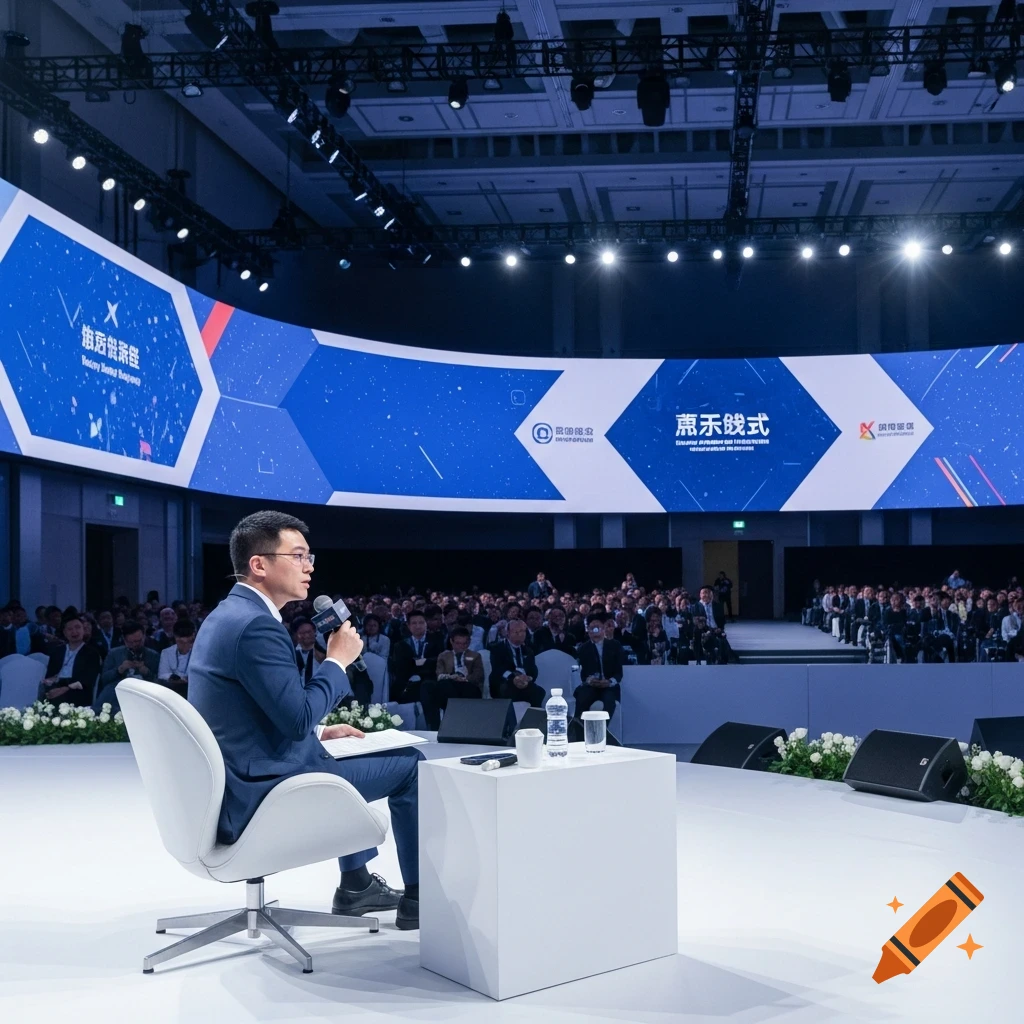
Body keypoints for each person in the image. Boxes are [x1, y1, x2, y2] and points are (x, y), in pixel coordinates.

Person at [188, 510, 421, 930]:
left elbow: (253, 711)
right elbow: (294, 720)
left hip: (238, 776)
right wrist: (337, 662)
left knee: (341, 750)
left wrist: (319, 730)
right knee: (412, 768)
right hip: (266, 790)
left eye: (309, 556)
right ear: (258, 564)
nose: (309, 566)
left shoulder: (228, 615)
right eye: (297, 556)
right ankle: (420, 900)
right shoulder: (256, 626)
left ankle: (356, 883)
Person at [421, 627, 484, 728]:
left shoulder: (475, 656)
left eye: (465, 644)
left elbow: (478, 676)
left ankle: (450, 722)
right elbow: (440, 675)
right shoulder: (444, 656)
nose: (461, 647)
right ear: (451, 641)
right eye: (458, 643)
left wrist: (464, 678)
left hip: (468, 687)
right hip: (448, 686)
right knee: (427, 685)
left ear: (469, 642)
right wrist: (452, 677)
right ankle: (433, 724)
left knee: (446, 686)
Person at [93, 621, 161, 712]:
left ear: (144, 637)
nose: (135, 644)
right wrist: (119, 669)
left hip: (144, 691)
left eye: (139, 641)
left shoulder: (153, 655)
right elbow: (104, 679)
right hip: (117, 691)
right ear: (125, 641)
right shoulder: (114, 653)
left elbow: (160, 682)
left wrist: (146, 672)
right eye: (131, 642)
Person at [39, 615, 102, 707]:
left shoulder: (92, 653)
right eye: (70, 629)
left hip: (78, 689)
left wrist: (65, 688)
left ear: (83, 630)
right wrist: (50, 682)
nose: (74, 632)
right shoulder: (57, 651)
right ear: (64, 632)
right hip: (57, 685)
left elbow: (87, 680)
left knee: (56, 701)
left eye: (78, 627)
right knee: (43, 695)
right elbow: (50, 675)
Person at [574, 616, 624, 722]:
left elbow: (619, 672)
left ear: (604, 629)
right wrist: (590, 680)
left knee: (609, 701)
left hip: (609, 685)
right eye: (591, 629)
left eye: (598, 628)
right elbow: (583, 674)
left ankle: (602, 732)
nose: (595, 631)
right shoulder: (583, 648)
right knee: (582, 698)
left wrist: (610, 681)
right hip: (591, 685)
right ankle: (578, 728)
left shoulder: (615, 645)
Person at [489, 619, 543, 705]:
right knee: (513, 690)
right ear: (508, 633)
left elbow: (533, 670)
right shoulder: (497, 648)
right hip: (505, 681)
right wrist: (513, 677)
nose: (520, 634)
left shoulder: (528, 650)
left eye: (522, 631)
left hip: (525, 682)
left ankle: (532, 716)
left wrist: (528, 678)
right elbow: (498, 670)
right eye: (516, 632)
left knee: (539, 692)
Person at [157, 618, 196, 697]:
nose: (186, 645)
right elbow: (162, 674)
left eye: (189, 642)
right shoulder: (166, 652)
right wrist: (173, 678)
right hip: (171, 691)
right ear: (175, 637)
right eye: (181, 642)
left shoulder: (199, 653)